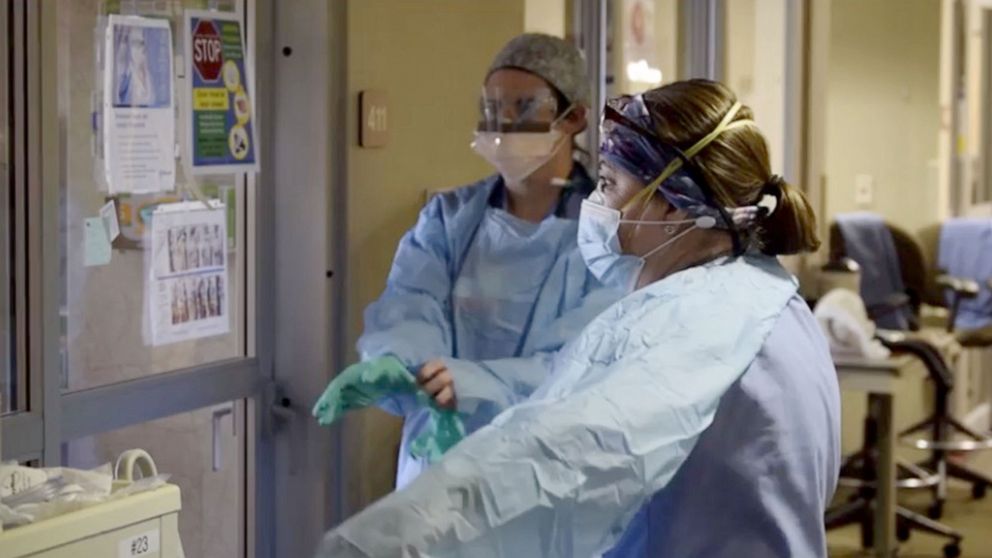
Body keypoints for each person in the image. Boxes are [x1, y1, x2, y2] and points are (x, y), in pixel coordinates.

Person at [315, 79, 841, 557]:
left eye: (609, 184)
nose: (595, 202)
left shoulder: (690, 325)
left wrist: (378, 543)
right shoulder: (769, 295)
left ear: (675, 207)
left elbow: (558, 457)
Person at [346, 33, 621, 488]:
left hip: (542, 474)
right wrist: (399, 365)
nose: (504, 123)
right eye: (492, 108)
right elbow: (410, 305)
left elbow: (582, 363)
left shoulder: (605, 234)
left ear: (575, 117)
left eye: (524, 107)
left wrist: (473, 383)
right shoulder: (449, 220)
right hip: (437, 460)